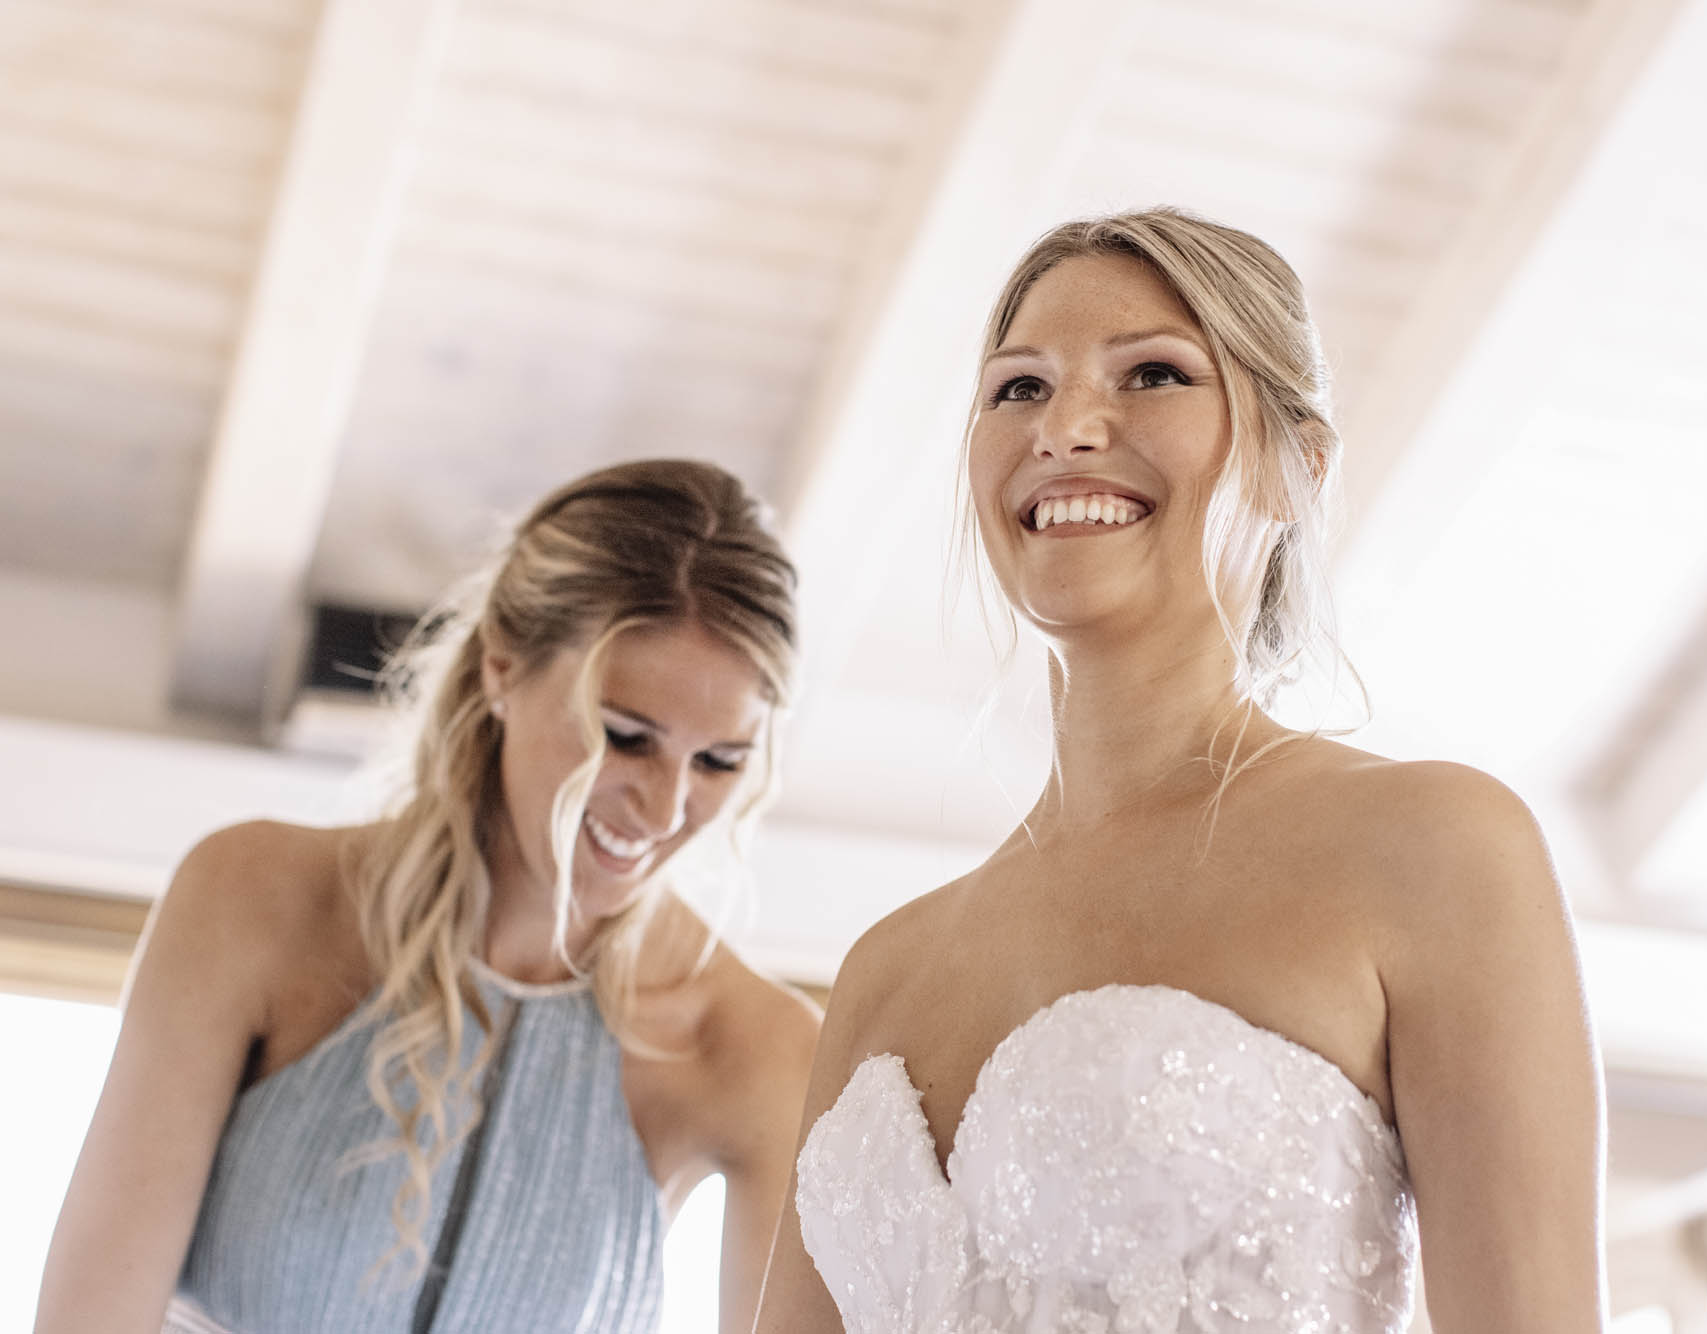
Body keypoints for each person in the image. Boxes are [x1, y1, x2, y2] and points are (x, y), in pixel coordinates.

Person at [754, 210, 1606, 1333]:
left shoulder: (1435, 849)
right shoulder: (880, 971)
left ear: (1293, 461)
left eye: (1151, 373)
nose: (1063, 425)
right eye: (1017, 388)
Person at [37, 460, 821, 1334]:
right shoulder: (251, 897)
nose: (668, 807)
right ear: (502, 668)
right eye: (625, 738)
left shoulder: (759, 1049)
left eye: (720, 761)